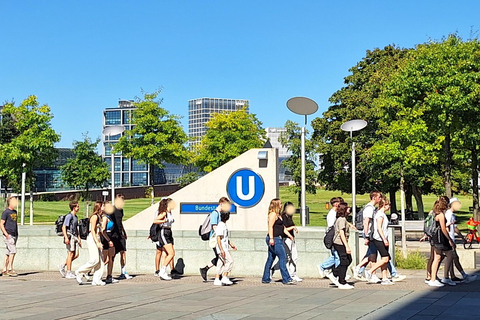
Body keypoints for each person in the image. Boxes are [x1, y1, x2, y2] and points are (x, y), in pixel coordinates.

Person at [261, 198, 295, 285]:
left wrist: (289, 235)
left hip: (278, 238)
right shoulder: (272, 214)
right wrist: (271, 238)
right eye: (280, 204)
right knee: (283, 257)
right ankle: (286, 278)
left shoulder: (278, 215)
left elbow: (282, 228)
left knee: (271, 258)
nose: (281, 205)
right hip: (274, 238)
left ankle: (266, 278)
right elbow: (270, 227)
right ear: (276, 205)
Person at [199, 197, 232, 282]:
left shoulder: (218, 213)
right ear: (221, 204)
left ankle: (211, 272)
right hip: (215, 239)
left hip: (219, 238)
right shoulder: (215, 213)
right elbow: (214, 227)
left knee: (219, 257)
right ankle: (219, 275)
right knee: (222, 257)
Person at [353, 192, 383, 280]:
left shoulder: (371, 207)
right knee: (373, 255)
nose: (380, 199)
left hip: (370, 233)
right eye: (379, 197)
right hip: (369, 233)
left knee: (372, 253)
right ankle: (370, 274)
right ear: (374, 197)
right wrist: (366, 236)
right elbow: (366, 222)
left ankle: (360, 269)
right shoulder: (369, 208)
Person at [445, 198, 476, 283]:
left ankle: (452, 275)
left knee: (451, 258)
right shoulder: (448, 214)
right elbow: (446, 227)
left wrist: (462, 237)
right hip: (449, 239)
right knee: (454, 257)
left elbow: (455, 228)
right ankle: (463, 275)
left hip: (451, 239)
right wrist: (449, 239)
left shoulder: (452, 215)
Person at [75, 201, 106, 286]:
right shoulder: (94, 217)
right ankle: (80, 272)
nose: (105, 207)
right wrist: (97, 242)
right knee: (95, 259)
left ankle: (96, 279)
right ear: (99, 207)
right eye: (103, 206)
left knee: (100, 261)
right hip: (93, 238)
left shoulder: (100, 217)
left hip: (97, 238)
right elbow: (92, 230)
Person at [428, 198, 455, 287]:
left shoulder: (433, 212)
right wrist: (450, 239)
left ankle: (433, 277)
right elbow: (443, 228)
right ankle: (444, 277)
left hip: (434, 237)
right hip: (440, 238)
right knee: (448, 255)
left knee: (437, 257)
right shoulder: (441, 215)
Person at [272, 202, 302, 282]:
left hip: (291, 238)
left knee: (294, 257)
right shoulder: (283, 217)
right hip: (286, 239)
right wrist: (292, 227)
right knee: (287, 258)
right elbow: (283, 229)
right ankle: (276, 269)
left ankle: (293, 273)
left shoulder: (289, 217)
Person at [366, 199, 393, 285]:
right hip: (380, 239)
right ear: (384, 205)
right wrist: (384, 239)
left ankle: (384, 278)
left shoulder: (382, 214)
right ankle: (370, 271)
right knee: (385, 258)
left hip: (382, 239)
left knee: (384, 259)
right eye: (388, 205)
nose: (389, 207)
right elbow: (379, 228)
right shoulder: (380, 215)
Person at [154, 198, 177, 281]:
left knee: (167, 253)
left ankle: (163, 271)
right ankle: (162, 270)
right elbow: (155, 220)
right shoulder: (164, 212)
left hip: (169, 231)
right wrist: (163, 220)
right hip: (164, 232)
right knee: (171, 253)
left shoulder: (169, 212)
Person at [332, 202, 354, 289]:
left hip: (341, 242)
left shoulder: (343, 219)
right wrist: (347, 246)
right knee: (344, 260)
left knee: (348, 259)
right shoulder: (341, 219)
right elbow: (341, 233)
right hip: (339, 242)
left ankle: (336, 271)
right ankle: (341, 281)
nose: (349, 209)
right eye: (347, 207)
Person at [318, 197, 341, 278]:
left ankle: (324, 267)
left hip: (335, 236)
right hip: (333, 237)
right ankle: (338, 274)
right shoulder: (332, 214)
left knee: (336, 255)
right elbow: (331, 226)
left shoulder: (335, 213)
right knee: (337, 256)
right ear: (335, 204)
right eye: (338, 203)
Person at [111, 194, 132, 280]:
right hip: (113, 235)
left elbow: (120, 222)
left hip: (120, 234)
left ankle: (123, 272)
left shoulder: (121, 210)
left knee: (123, 252)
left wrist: (124, 231)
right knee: (111, 255)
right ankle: (106, 272)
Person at [59, 200, 82, 279]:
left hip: (74, 236)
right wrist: (66, 237)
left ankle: (63, 265)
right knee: (70, 253)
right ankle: (68, 271)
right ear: (74, 207)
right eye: (77, 206)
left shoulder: (75, 217)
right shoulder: (69, 216)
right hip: (69, 235)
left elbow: (76, 228)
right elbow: (64, 226)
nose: (78, 208)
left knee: (76, 254)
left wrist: (79, 238)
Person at [214, 210, 237, 286]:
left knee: (220, 263)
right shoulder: (221, 225)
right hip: (223, 248)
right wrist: (221, 249)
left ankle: (217, 279)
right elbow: (218, 238)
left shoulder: (222, 225)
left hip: (223, 247)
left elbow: (224, 238)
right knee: (230, 261)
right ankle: (225, 276)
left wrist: (230, 244)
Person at [1, 196, 19, 277]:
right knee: (13, 251)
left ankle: (4, 269)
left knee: (8, 252)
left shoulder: (15, 212)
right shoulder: (6, 212)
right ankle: (10, 269)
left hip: (14, 234)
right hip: (9, 234)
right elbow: (1, 224)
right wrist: (6, 234)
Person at [101, 202, 118, 284]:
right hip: (106, 237)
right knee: (104, 258)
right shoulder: (105, 218)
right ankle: (96, 273)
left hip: (110, 236)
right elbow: (102, 230)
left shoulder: (110, 217)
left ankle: (109, 275)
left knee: (111, 257)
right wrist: (108, 240)